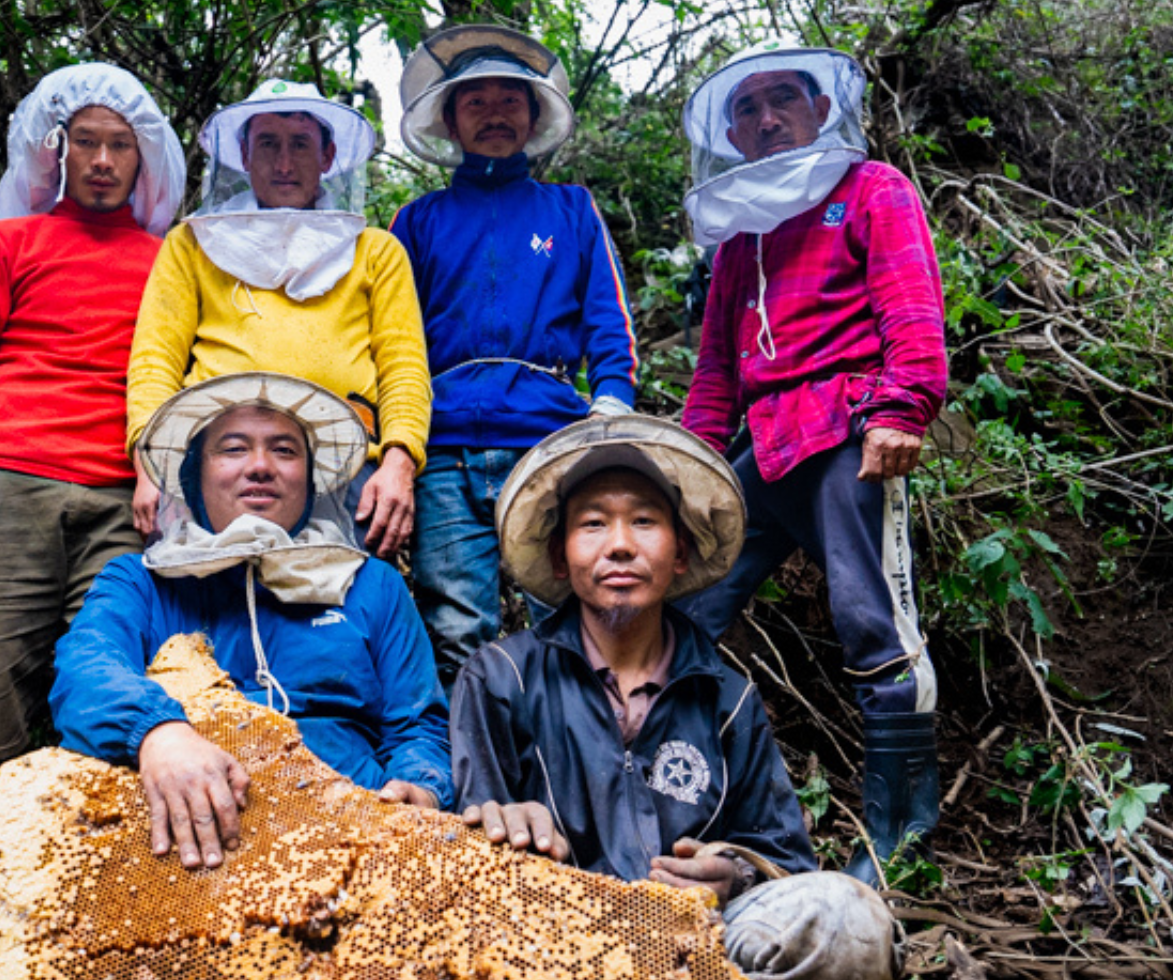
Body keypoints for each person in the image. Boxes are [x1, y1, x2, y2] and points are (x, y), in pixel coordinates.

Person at [449, 415, 897, 980]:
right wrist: (505, 824)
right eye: (592, 524)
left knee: (842, 912)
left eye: (643, 521)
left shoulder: (727, 698)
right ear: (561, 558)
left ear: (680, 551)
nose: (619, 545)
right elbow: (467, 839)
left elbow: (785, 858)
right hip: (547, 945)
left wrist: (734, 873)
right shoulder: (498, 677)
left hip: (699, 945)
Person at [677, 38, 949, 885]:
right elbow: (719, 369)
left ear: (821, 109)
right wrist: (684, 464)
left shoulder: (870, 190)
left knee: (872, 622)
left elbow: (911, 304)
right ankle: (684, 807)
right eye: (747, 111)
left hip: (849, 427)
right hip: (768, 444)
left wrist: (904, 410)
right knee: (688, 610)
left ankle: (897, 844)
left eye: (781, 100)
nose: (765, 120)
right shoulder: (740, 233)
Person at [0, 63, 186, 819]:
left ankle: (96, 919)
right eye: (84, 142)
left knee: (121, 703)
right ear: (54, 150)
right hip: (3, 483)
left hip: (128, 505)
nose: (100, 160)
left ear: (143, 157)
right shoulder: (6, 243)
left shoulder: (172, 264)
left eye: (119, 145)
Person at [51, 373, 451, 870]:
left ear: (311, 478)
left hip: (357, 833)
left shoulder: (372, 585)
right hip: (189, 844)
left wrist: (421, 786)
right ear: (195, 474)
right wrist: (157, 732)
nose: (260, 467)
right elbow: (84, 668)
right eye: (233, 449)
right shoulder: (140, 581)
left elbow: (418, 725)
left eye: (284, 451)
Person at [389, 25, 638, 684]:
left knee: (565, 612)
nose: (495, 113)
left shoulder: (572, 210)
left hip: (549, 437)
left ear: (534, 117)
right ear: (449, 118)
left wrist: (611, 401)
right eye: (476, 101)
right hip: (443, 448)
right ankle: (470, 779)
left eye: (511, 100)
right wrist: (394, 438)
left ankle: (573, 771)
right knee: (454, 624)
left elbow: (609, 319)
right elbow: (389, 339)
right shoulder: (416, 221)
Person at [126, 79, 429, 559]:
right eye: (268, 144)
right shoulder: (192, 245)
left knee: (340, 621)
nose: (284, 163)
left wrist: (399, 464)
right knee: (218, 615)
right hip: (220, 469)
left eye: (301, 144)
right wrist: (151, 468)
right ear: (244, 156)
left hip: (348, 472)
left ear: (329, 157)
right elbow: (155, 362)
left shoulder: (376, 250)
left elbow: (404, 368)